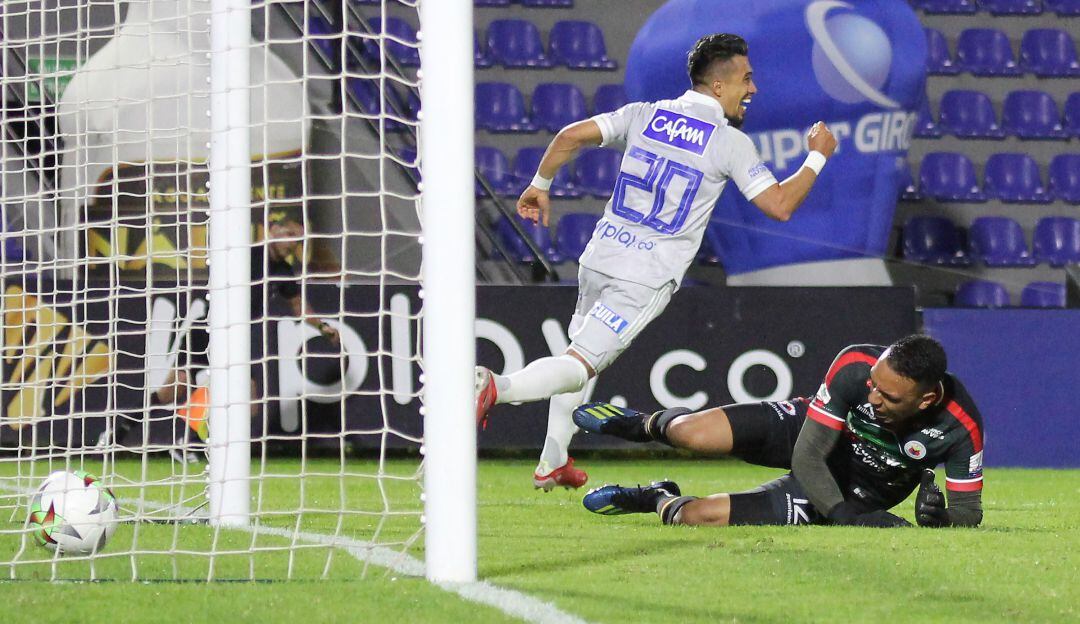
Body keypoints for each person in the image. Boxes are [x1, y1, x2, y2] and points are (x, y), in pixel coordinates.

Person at [474, 33, 838, 491]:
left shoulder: (643, 114)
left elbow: (570, 136)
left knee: (581, 356)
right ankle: (495, 386)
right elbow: (781, 205)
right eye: (746, 79)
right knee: (577, 365)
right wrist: (817, 158)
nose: (753, 89)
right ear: (719, 86)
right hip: (643, 277)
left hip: (600, 256)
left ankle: (553, 462)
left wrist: (540, 183)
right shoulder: (728, 142)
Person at [575, 334, 984, 528]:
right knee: (690, 434)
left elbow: (969, 513)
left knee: (697, 517)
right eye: (874, 385)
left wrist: (942, 518)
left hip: (857, 490)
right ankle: (640, 424)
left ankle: (656, 497)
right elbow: (808, 455)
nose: (874, 398)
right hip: (811, 433)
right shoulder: (855, 366)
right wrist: (843, 519)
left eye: (889, 398)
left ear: (926, 400)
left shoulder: (961, 428)